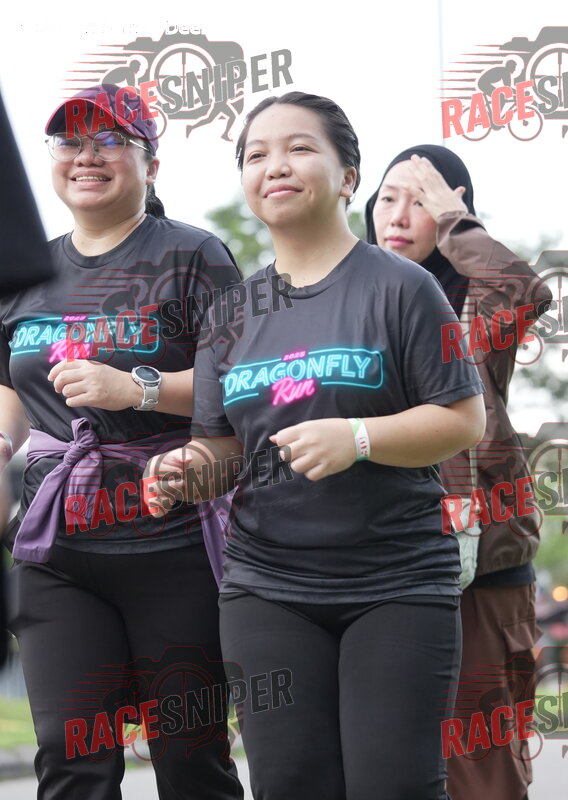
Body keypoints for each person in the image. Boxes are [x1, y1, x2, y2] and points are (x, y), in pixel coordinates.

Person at [145, 92, 486, 800]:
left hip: (397, 581)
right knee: (290, 783)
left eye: (299, 148)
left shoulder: (405, 286)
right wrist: (182, 471)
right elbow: (221, 452)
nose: (275, 165)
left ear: (348, 176)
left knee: (392, 787)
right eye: (256, 155)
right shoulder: (229, 315)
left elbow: (462, 419)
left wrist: (359, 437)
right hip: (266, 587)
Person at [0, 84, 244, 800]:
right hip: (57, 549)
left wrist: (135, 388)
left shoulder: (193, 255)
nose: (87, 156)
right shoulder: (25, 271)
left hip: (172, 543)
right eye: (70, 141)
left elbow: (237, 383)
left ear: (151, 164)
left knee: (190, 758)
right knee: (70, 756)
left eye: (110, 141)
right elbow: (11, 386)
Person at [365, 144, 552, 800]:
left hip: (481, 565)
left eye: (421, 200)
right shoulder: (347, 302)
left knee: (483, 767)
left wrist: (454, 220)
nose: (398, 214)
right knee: (385, 765)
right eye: (388, 197)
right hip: (374, 562)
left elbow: (525, 289)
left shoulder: (474, 307)